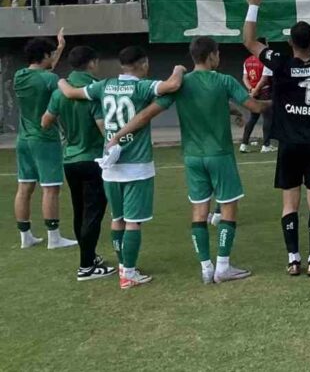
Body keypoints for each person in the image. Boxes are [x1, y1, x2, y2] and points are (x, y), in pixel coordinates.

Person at [107, 37, 266, 283]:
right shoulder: (223, 80)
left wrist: (118, 135)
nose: (219, 57)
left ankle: (206, 267)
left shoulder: (181, 84)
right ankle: (223, 266)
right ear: (211, 55)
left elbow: (147, 114)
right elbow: (255, 106)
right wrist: (280, 101)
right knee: (228, 207)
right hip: (220, 155)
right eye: (218, 53)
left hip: (192, 157)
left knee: (199, 211)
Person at [57, 46, 186, 288]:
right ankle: (128, 273)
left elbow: (71, 92)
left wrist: (60, 81)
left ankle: (123, 266)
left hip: (109, 163)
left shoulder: (104, 85)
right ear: (144, 63)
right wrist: (179, 69)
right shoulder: (142, 87)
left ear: (121, 65)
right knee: (133, 222)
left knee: (117, 219)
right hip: (136, 164)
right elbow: (172, 85)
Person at [242, 0, 310, 276]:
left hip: (288, 142)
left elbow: (249, 41)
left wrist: (253, 5)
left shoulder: (281, 63)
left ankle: (293, 259)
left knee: (290, 202)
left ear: (290, 43)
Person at [40, 46, 113, 279]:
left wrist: (66, 133)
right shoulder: (93, 90)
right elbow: (103, 128)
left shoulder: (60, 92)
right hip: (92, 159)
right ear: (92, 63)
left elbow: (45, 122)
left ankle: (89, 256)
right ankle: (86, 266)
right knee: (93, 213)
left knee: (80, 211)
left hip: (70, 160)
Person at [13, 33, 78, 250]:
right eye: (51, 54)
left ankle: (25, 237)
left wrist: (59, 47)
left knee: (24, 187)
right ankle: (54, 237)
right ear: (44, 55)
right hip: (45, 139)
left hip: (23, 140)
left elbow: (45, 70)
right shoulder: (50, 80)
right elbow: (59, 87)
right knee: (51, 188)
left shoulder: (19, 76)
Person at [241, 38, 274, 153]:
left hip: (253, 93)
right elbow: (264, 79)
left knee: (253, 118)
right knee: (268, 118)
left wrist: (251, 89)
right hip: (264, 93)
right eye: (267, 44)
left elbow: (245, 78)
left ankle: (244, 144)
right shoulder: (266, 61)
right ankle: (266, 145)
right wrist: (255, 90)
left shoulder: (247, 61)